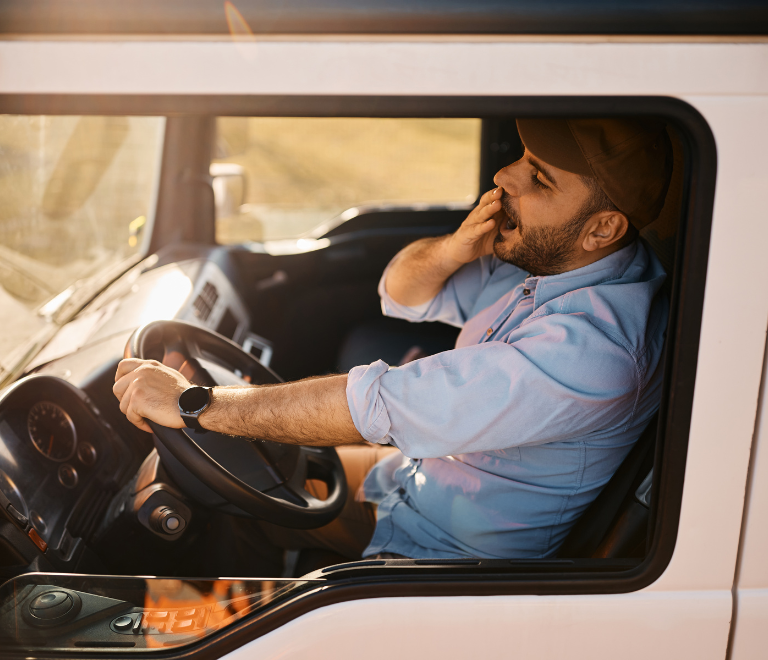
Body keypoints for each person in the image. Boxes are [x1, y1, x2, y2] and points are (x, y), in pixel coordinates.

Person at [113, 117, 673, 561]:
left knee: (228, 511)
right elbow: (400, 291)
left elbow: (376, 405)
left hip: (448, 554)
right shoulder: (556, 258)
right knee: (252, 465)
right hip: (413, 480)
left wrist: (195, 403)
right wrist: (455, 248)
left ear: (604, 227)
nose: (506, 177)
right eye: (525, 160)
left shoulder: (593, 351)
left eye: (540, 178)